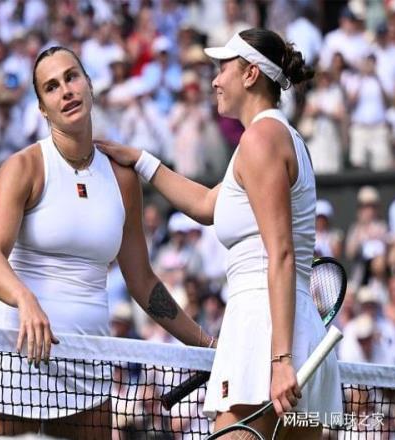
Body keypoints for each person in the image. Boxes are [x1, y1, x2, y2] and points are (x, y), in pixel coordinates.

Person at [96, 28, 343, 439]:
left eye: (223, 68)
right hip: (293, 334)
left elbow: (281, 252)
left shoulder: (261, 139)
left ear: (250, 74)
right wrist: (141, 160)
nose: (214, 80)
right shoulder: (274, 137)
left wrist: (280, 360)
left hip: (268, 336)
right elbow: (208, 204)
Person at [0, 46, 214, 439]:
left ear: (89, 85)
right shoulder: (23, 167)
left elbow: (143, 281)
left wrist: (205, 343)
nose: (65, 90)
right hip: (17, 356)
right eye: (51, 87)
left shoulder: (122, 177)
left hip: (88, 364)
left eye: (71, 77)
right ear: (42, 108)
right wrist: (24, 299)